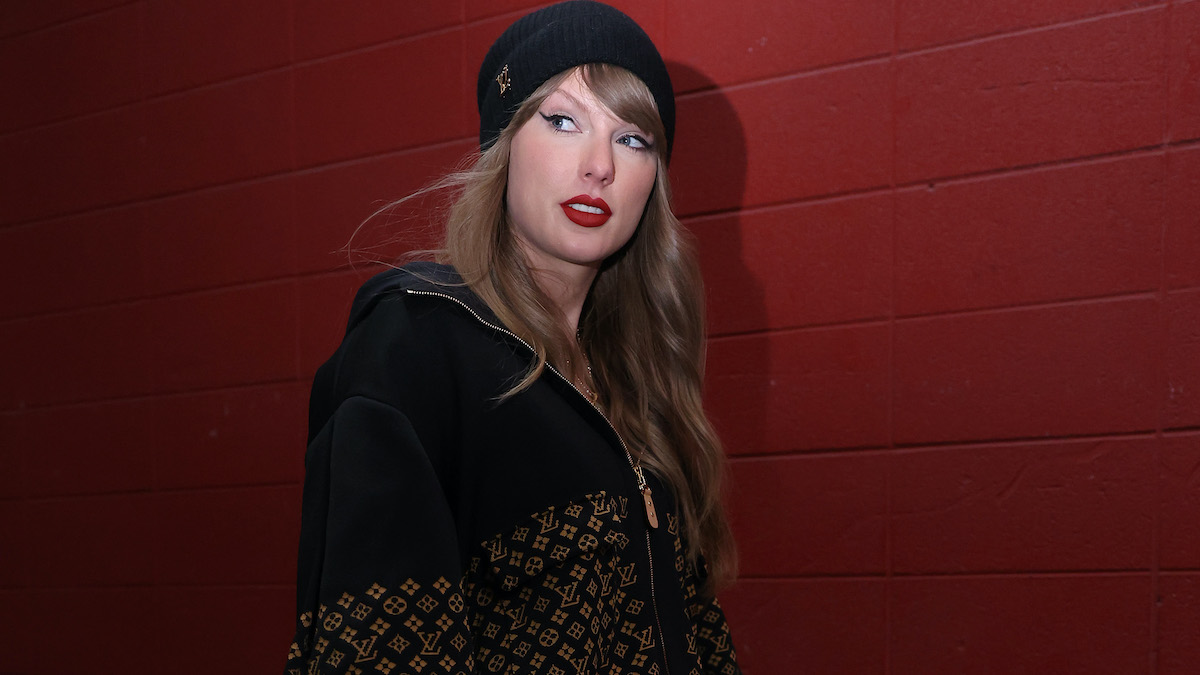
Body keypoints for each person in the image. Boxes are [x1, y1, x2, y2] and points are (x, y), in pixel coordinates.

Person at [286, 2, 740, 673]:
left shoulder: (638, 379)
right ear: (505, 145)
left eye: (632, 139)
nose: (599, 167)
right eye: (562, 121)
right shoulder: (416, 344)